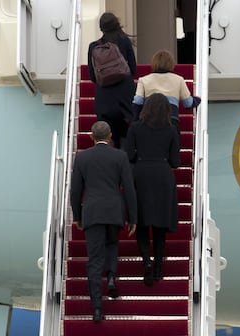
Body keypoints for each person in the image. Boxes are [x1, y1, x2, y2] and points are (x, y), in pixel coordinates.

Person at [70, 121, 137, 322]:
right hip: (114, 210)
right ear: (109, 137)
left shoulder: (82, 157)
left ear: (92, 137)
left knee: (94, 260)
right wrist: (132, 217)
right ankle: (110, 277)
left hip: (92, 212)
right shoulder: (120, 156)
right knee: (112, 243)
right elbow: (129, 188)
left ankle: (97, 308)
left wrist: (77, 216)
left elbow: (75, 191)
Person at [125, 93, 181, 287]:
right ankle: (158, 266)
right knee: (159, 226)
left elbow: (129, 155)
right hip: (163, 175)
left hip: (140, 174)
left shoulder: (135, 128)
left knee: (141, 223)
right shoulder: (172, 129)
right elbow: (176, 161)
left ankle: (146, 262)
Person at [87, 12, 137, 148]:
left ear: (101, 28)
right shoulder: (125, 41)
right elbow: (133, 69)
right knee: (128, 130)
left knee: (106, 134)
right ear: (116, 24)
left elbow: (92, 76)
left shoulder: (93, 47)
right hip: (125, 94)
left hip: (104, 96)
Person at [132, 49, 200, 131]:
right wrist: (198, 99)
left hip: (148, 119)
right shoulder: (178, 79)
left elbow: (138, 101)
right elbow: (188, 103)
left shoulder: (143, 80)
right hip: (171, 118)